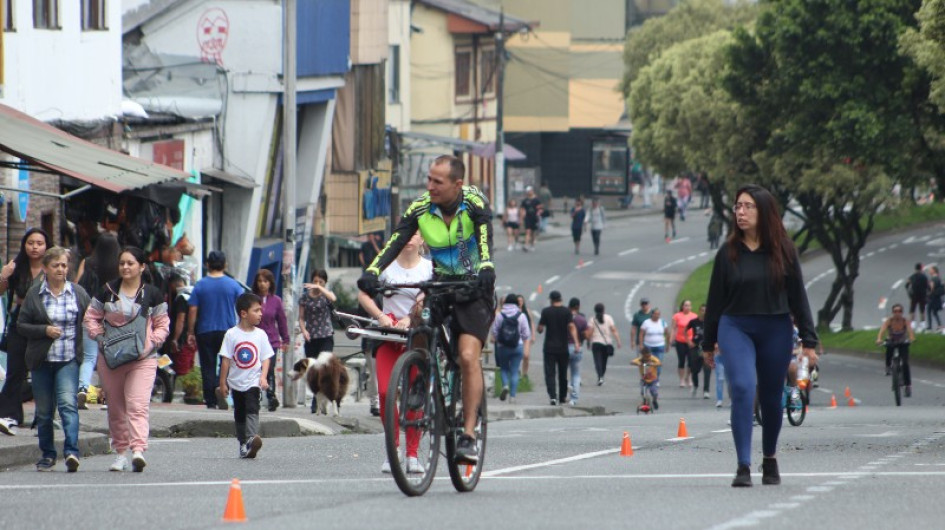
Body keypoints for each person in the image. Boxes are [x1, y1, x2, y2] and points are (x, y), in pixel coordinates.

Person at [358, 154, 496, 463]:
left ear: (457, 184)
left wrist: (485, 266)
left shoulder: (474, 203)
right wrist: (372, 271)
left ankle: (468, 436)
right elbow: (396, 240)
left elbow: (485, 240)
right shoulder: (420, 207)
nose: (429, 186)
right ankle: (418, 378)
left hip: (475, 288)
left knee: (467, 356)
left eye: (437, 181)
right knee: (420, 320)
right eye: (428, 179)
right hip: (442, 284)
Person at [701, 184, 819, 488]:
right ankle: (743, 465)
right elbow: (715, 301)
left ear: (763, 211)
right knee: (742, 387)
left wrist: (809, 340)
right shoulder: (728, 253)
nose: (740, 212)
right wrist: (707, 342)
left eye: (748, 206)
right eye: (738, 206)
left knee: (770, 396)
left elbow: (798, 297)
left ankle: (769, 458)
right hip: (735, 326)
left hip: (776, 328)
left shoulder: (784, 249)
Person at [84, 246, 170, 472]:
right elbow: (90, 318)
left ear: (142, 267)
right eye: (122, 263)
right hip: (111, 359)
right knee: (115, 407)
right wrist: (100, 338)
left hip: (143, 359)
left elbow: (163, 324)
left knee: (137, 404)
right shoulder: (107, 291)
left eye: (130, 263)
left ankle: (138, 450)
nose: (125, 267)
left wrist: (151, 342)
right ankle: (121, 453)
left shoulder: (152, 293)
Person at [357, 232, 433, 473]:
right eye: (406, 234)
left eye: (416, 234)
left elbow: (428, 297)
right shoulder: (384, 266)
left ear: (423, 240)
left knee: (415, 394)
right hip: (388, 336)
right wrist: (380, 316)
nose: (410, 238)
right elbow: (363, 293)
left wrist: (411, 318)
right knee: (384, 391)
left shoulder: (430, 269)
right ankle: (393, 451)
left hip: (417, 336)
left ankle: (412, 455)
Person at [17, 247, 90, 471]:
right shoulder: (35, 294)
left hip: (68, 359)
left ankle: (71, 452)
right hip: (42, 361)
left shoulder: (77, 293)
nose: (61, 269)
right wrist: (44, 330)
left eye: (64, 265)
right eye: (56, 265)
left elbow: (92, 319)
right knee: (45, 412)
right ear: (46, 268)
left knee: (68, 405)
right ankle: (47, 454)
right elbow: (21, 325)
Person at [0, 228, 51, 435]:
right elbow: (2, 291)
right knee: (15, 371)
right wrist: (4, 276)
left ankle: (43, 416)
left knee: (44, 371)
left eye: (39, 243)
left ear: (46, 246)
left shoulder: (51, 267)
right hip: (20, 322)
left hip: (44, 323)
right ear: (24, 245)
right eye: (30, 243)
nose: (35, 247)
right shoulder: (17, 267)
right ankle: (10, 415)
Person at [186, 250, 245, 410]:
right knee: (228, 362)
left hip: (205, 330)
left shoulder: (200, 285)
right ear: (225, 264)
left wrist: (190, 331)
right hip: (227, 330)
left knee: (208, 365)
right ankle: (222, 387)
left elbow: (192, 309)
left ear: (207, 265)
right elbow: (243, 304)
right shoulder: (233, 285)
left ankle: (210, 399)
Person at [218, 293, 274, 459]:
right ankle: (243, 443)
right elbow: (226, 361)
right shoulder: (231, 334)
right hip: (236, 382)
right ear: (244, 314)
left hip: (253, 381)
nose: (260, 314)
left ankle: (251, 439)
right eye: (256, 310)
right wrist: (223, 383)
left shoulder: (260, 335)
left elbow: (266, 358)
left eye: (260, 310)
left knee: (252, 408)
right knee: (240, 413)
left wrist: (263, 377)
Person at [75, 232, 120, 409]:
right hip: (112, 317)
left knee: (89, 357)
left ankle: (83, 389)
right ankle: (109, 397)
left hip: (91, 314)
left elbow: (77, 285)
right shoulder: (119, 265)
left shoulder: (87, 262)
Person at [252, 269, 289, 412]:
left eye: (265, 281)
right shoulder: (251, 299)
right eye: (260, 281)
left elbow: (282, 321)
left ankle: (271, 395)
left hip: (271, 341)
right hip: (254, 340)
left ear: (270, 283)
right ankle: (255, 397)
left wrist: (285, 339)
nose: (262, 284)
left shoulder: (276, 301)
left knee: (269, 369)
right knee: (255, 369)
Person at [537, 291, 578, 406]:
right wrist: (576, 343)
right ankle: (562, 396)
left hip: (549, 348)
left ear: (551, 300)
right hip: (563, 348)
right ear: (560, 299)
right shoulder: (566, 312)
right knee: (563, 373)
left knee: (550, 373)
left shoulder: (546, 311)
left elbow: (540, 328)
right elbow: (571, 327)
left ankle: (552, 397)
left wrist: (539, 328)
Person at [491, 293, 531, 404]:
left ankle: (505, 385)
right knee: (514, 371)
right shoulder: (521, 315)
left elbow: (494, 331)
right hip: (517, 347)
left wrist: (499, 339)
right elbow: (526, 334)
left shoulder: (500, 315)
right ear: (517, 303)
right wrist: (521, 340)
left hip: (502, 347)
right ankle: (512, 397)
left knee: (503, 368)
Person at [876, 303, 915, 397]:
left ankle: (908, 386)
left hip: (903, 342)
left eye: (899, 311)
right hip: (892, 341)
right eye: (895, 311)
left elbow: (910, 331)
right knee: (888, 349)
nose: (897, 313)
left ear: (902, 312)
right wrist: (879, 339)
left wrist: (912, 338)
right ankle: (888, 366)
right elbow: (882, 330)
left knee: (905, 363)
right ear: (892, 312)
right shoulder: (889, 321)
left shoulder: (905, 321)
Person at [589, 302, 621, 386]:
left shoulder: (592, 319)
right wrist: (618, 341)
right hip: (607, 343)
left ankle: (600, 376)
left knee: (597, 361)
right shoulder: (608, 318)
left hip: (596, 342)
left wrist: (588, 342)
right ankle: (601, 375)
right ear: (603, 310)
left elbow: (590, 332)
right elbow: (613, 330)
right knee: (604, 361)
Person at [566, 297, 589, 406]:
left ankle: (565, 389)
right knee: (575, 374)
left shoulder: (564, 317)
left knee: (562, 372)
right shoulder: (581, 319)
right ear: (577, 306)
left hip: (563, 347)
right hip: (576, 347)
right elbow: (586, 335)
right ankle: (573, 399)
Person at [670, 300, 698, 390]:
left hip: (690, 341)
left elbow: (697, 329)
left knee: (691, 361)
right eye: (686, 305)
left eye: (689, 305)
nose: (687, 307)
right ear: (682, 306)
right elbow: (674, 328)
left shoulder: (694, 316)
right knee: (681, 360)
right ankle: (681, 379)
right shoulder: (677, 316)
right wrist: (671, 339)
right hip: (680, 341)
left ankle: (688, 377)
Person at [687, 304, 710, 399]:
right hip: (696, 347)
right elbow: (685, 330)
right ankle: (695, 385)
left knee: (707, 369)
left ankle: (706, 390)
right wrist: (689, 341)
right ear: (699, 311)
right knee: (694, 369)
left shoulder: (709, 322)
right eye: (702, 310)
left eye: (706, 310)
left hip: (707, 348)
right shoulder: (693, 322)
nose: (704, 312)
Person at [638, 308, 669, 376]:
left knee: (658, 363)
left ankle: (656, 378)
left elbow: (667, 334)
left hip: (660, 346)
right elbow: (641, 333)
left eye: (658, 314)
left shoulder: (663, 322)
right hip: (648, 346)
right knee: (648, 363)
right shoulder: (646, 322)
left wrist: (668, 345)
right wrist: (641, 344)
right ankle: (647, 378)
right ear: (652, 314)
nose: (657, 316)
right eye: (655, 314)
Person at [516, 294, 536, 380]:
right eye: (518, 301)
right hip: (515, 336)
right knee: (516, 355)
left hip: (526, 336)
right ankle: (516, 371)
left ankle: (525, 373)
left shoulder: (527, 311)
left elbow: (532, 323)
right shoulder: (513, 311)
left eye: (521, 301)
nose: (520, 303)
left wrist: (533, 335)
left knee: (526, 355)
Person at [906, 262, 929, 330]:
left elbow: (906, 285)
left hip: (914, 295)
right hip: (922, 295)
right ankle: (923, 324)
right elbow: (928, 286)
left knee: (912, 310)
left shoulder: (912, 276)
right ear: (921, 268)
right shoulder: (924, 277)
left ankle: (912, 323)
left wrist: (910, 294)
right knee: (922, 310)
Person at [520, 186, 542, 252]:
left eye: (530, 191)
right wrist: (521, 216)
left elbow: (540, 208)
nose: (529, 192)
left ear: (532, 191)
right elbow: (522, 209)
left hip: (534, 218)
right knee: (528, 231)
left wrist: (539, 213)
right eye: (527, 191)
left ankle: (532, 245)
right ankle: (526, 245)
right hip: (527, 218)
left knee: (533, 232)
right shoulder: (525, 200)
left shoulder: (536, 200)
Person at [927, 266, 943, 331]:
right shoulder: (939, 278)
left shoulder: (933, 279)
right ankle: (939, 325)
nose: (929, 271)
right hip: (937, 297)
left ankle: (930, 327)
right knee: (935, 312)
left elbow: (931, 288)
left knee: (929, 311)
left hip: (932, 298)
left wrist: (928, 294)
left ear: (933, 270)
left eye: (930, 270)